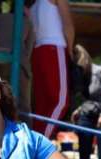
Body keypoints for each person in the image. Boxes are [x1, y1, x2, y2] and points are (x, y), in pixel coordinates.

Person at [0, 1, 35, 125]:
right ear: (26, 10)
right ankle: (26, 136)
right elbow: (29, 49)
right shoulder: (28, 23)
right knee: (23, 105)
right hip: (21, 65)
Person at [29, 0, 75, 138]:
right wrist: (71, 50)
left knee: (42, 105)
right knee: (60, 101)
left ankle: (34, 142)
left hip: (37, 51)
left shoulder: (33, 4)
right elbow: (68, 26)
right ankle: (41, 144)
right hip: (55, 48)